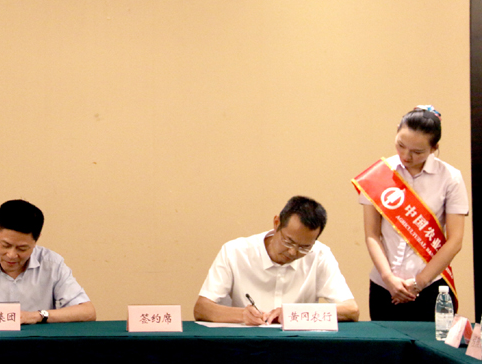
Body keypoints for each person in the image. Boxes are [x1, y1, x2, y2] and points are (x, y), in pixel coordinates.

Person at [355, 105, 468, 321]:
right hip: (384, 287)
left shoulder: (450, 178)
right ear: (397, 131)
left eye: (417, 152)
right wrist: (388, 278)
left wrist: (419, 282)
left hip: (431, 287)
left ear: (434, 148)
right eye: (401, 145)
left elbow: (455, 241)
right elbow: (372, 234)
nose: (406, 155)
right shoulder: (378, 175)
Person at [193, 196, 359, 325]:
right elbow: (202, 308)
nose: (293, 252)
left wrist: (294, 313)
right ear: (276, 223)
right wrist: (242, 315)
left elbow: (351, 310)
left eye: (304, 247)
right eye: (288, 241)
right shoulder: (235, 251)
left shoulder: (320, 254)